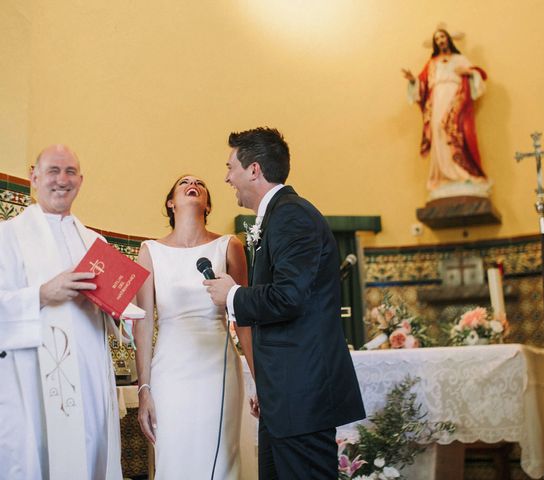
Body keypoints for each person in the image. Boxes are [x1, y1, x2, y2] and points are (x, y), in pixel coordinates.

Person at [206, 127, 366, 479]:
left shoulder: (291, 216)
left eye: (231, 166)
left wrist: (233, 294)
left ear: (254, 169)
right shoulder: (280, 215)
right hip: (285, 392)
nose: (226, 176)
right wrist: (266, 385)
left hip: (302, 394)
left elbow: (290, 296)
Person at [0, 145, 123, 480]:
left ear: (81, 181)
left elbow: (117, 319)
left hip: (88, 379)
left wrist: (114, 309)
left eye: (70, 172)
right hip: (31, 380)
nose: (62, 180)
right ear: (34, 176)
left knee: (90, 454)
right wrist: (41, 294)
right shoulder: (7, 236)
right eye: (53, 170)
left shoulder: (95, 243)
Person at [134, 174, 254, 479]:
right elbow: (144, 323)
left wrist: (260, 379)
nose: (194, 184)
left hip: (218, 366)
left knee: (222, 457)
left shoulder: (230, 246)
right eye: (184, 182)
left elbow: (245, 320)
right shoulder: (150, 252)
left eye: (201, 183)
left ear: (208, 203)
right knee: (174, 455)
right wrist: (144, 390)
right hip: (169, 369)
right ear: (171, 202)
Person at [403, 29, 489, 193]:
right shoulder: (432, 63)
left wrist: (468, 72)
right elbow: (421, 84)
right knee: (437, 131)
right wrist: (413, 80)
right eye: (437, 38)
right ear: (435, 44)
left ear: (448, 39)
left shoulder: (460, 59)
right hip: (437, 100)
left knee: (457, 131)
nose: (440, 40)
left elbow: (477, 76)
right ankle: (443, 176)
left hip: (456, 98)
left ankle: (462, 173)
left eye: (442, 36)